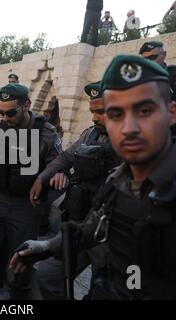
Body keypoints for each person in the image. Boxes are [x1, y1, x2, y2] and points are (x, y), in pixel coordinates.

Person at [11, 55, 176, 300]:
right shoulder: (119, 181)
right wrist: (46, 247)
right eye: (116, 114)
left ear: (171, 113)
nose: (129, 127)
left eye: (144, 110)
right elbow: (91, 229)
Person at [0, 84, 62, 299]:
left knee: (22, 258)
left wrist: (45, 176)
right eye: (1, 112)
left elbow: (59, 163)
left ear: (26, 105)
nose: (5, 117)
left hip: (27, 206)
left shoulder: (45, 132)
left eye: (11, 112)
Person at [33, 81, 120, 299]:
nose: (94, 117)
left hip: (111, 239)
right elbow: (66, 157)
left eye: (101, 111)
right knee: (47, 275)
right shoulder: (90, 134)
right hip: (83, 226)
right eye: (92, 111)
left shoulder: (131, 144)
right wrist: (42, 178)